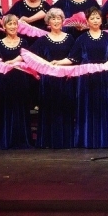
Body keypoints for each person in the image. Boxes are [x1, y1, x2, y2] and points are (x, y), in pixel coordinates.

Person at [52, 7, 108, 149]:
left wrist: (106, 65)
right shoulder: (81, 39)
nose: (95, 20)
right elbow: (73, 58)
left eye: (97, 18)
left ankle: (103, 141)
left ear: (102, 20)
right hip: (85, 78)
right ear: (87, 21)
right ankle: (85, 140)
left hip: (103, 76)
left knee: (102, 107)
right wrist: (59, 62)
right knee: (86, 108)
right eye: (92, 18)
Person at [30, 8, 76, 149]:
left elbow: (75, 58)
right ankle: (48, 141)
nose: (56, 21)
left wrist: (63, 65)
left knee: (65, 109)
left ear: (63, 21)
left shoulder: (70, 39)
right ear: (48, 22)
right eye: (53, 19)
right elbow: (30, 55)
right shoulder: (42, 40)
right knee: (49, 109)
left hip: (65, 79)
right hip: (48, 81)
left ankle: (66, 141)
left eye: (58, 18)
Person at [0, 14, 33, 149]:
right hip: (4, 81)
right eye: (10, 24)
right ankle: (4, 139)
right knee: (5, 109)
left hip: (20, 80)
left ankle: (21, 140)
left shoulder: (24, 42)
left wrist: (14, 61)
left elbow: (28, 58)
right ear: (4, 26)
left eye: (15, 24)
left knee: (20, 109)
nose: (13, 26)